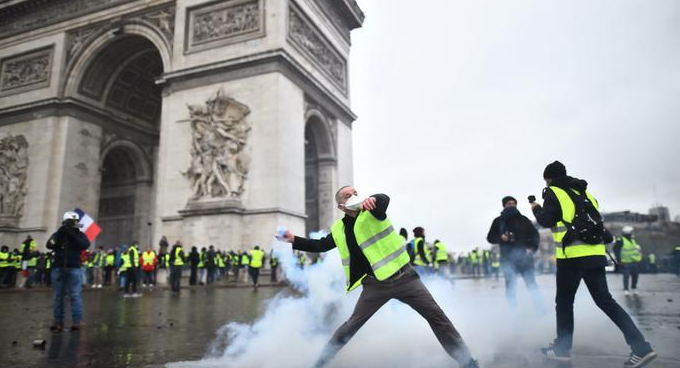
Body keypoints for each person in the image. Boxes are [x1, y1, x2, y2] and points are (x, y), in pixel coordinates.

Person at [281, 186, 480, 368]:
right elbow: (320, 245)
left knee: (438, 317)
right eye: (348, 196)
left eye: (355, 193)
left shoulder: (372, 212)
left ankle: (468, 363)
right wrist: (294, 239)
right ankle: (319, 364)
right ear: (341, 206)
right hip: (374, 286)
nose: (354, 197)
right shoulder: (338, 229)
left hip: (405, 278)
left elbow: (383, 199)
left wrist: (373, 199)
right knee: (349, 327)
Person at [531, 161, 656, 367]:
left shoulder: (553, 192)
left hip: (572, 257)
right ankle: (641, 347)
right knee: (606, 301)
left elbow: (547, 221)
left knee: (564, 303)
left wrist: (536, 208)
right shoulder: (585, 193)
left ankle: (562, 349)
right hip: (596, 253)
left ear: (549, 178)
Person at [487, 195, 544, 310]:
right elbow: (490, 237)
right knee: (510, 288)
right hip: (507, 260)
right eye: (509, 203)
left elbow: (535, 235)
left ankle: (541, 310)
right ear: (504, 205)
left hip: (525, 259)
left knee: (532, 285)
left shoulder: (524, 220)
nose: (512, 205)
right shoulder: (498, 221)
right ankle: (514, 313)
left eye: (514, 203)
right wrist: (501, 237)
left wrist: (532, 248)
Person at [46, 211, 91, 332]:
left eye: (76, 222)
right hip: (58, 268)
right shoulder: (58, 233)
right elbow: (49, 245)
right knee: (58, 296)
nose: (75, 224)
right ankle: (58, 321)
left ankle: (77, 321)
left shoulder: (79, 234)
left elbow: (85, 244)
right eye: (73, 222)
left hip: (74, 268)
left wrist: (72, 235)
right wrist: (60, 235)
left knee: (75, 295)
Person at [614, 227, 643, 296]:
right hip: (625, 262)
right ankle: (626, 290)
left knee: (635, 276)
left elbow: (635, 250)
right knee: (626, 276)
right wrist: (619, 260)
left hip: (634, 261)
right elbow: (616, 249)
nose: (632, 233)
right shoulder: (620, 240)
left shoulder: (633, 240)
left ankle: (634, 288)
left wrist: (639, 258)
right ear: (627, 233)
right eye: (631, 232)